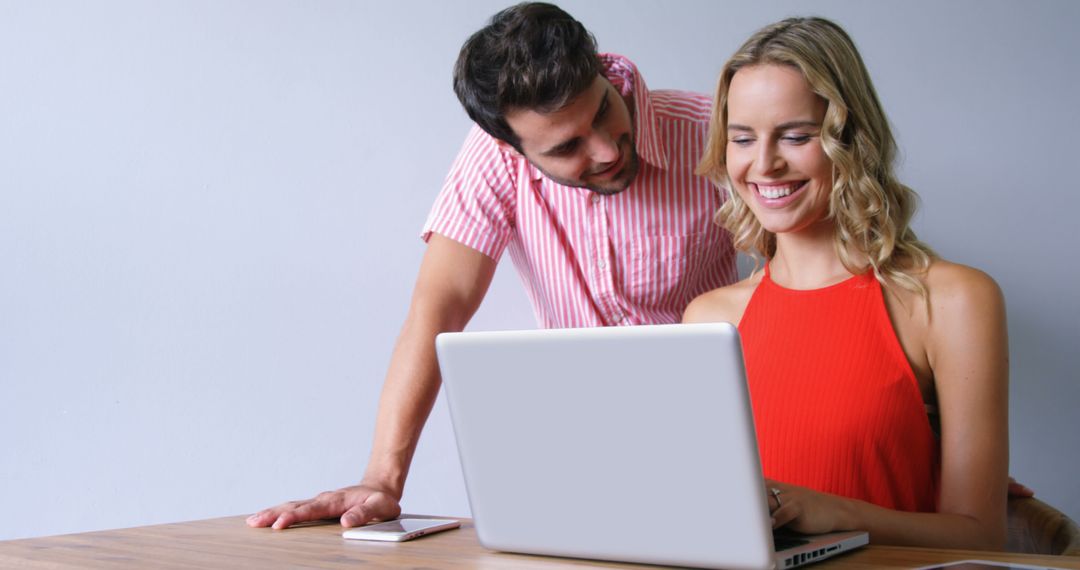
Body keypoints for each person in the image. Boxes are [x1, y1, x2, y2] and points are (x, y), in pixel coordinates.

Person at [246, 2, 737, 530]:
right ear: (515, 149)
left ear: (600, 70)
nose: (604, 149)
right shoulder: (494, 158)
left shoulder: (722, 130)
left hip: (723, 437)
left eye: (601, 111)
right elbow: (440, 306)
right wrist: (382, 480)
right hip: (581, 456)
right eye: (567, 146)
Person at [683, 17, 1008, 548]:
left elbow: (981, 536)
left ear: (849, 138)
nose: (763, 164)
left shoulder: (952, 300)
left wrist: (835, 513)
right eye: (743, 138)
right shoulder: (710, 318)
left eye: (795, 135)